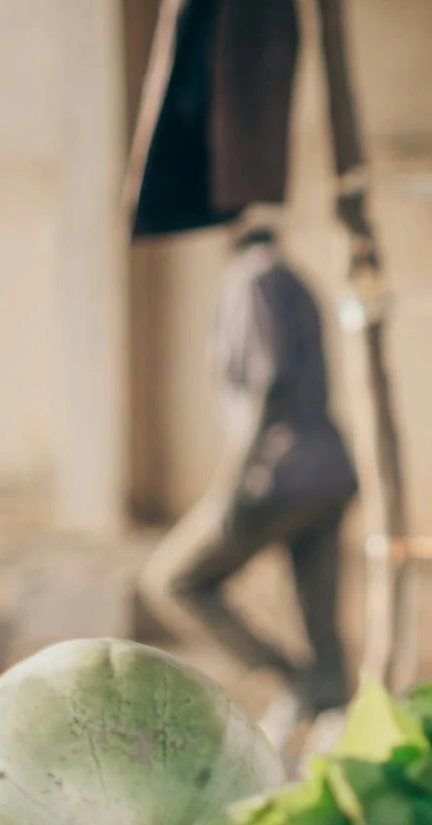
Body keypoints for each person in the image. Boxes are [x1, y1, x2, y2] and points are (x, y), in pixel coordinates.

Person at [142, 208, 357, 722]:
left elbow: (268, 385)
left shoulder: (255, 278)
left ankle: (289, 681)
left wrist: (229, 488)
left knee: (172, 579)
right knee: (320, 625)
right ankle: (335, 726)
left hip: (278, 475)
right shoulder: (291, 276)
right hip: (329, 473)